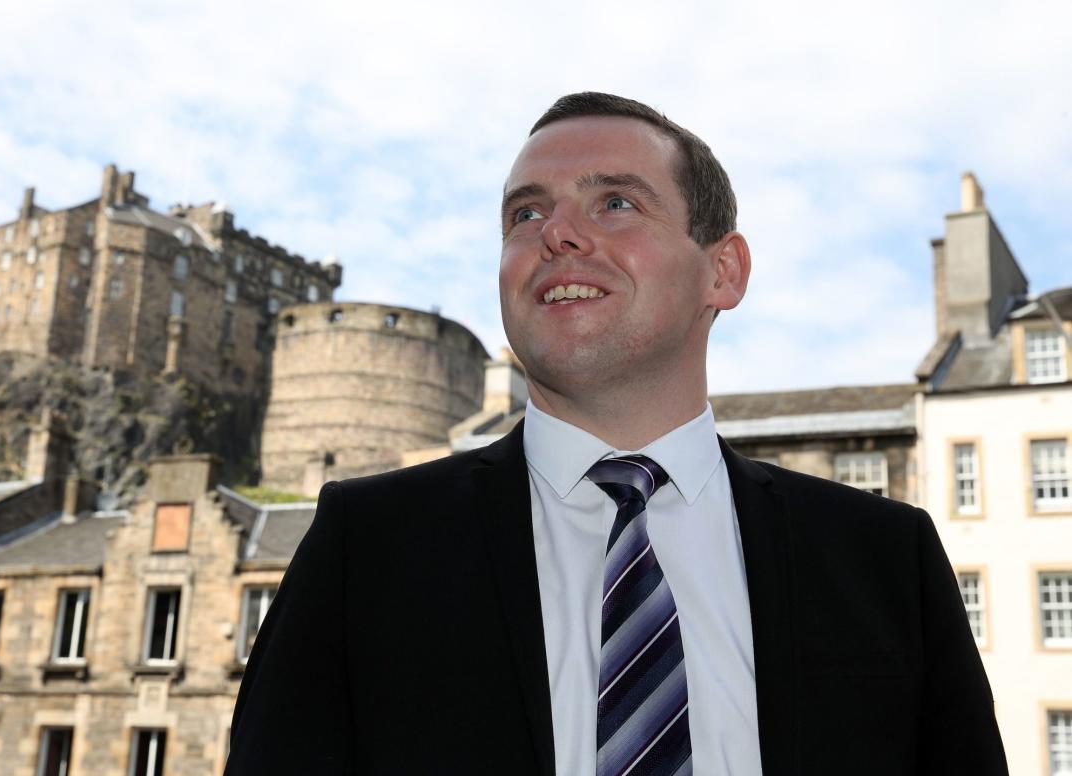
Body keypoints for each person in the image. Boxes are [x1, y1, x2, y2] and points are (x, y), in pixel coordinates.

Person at [225, 92, 1008, 775]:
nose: (555, 233)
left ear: (723, 272)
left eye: (615, 202)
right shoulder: (367, 547)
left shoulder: (884, 559)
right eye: (525, 212)